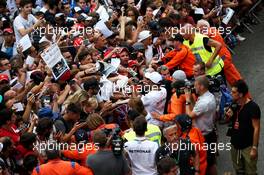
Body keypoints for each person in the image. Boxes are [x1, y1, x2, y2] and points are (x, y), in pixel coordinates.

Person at [225, 80, 261, 175]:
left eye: (233, 92)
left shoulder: (253, 108)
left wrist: (254, 148)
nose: (230, 93)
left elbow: (256, 128)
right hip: (235, 144)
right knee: (239, 171)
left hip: (247, 146)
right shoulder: (234, 104)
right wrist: (229, 115)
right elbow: (232, 121)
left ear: (240, 94)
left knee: (250, 172)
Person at [184, 75, 217, 175]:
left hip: (204, 136)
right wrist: (192, 99)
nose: (194, 88)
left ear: (201, 86)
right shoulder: (208, 96)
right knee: (211, 161)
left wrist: (187, 100)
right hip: (209, 132)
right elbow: (196, 109)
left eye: (195, 86)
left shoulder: (204, 102)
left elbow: (189, 115)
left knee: (207, 162)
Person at [197, 19, 242, 86]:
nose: (198, 31)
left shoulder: (208, 33)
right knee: (235, 80)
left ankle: (245, 95)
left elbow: (201, 37)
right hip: (224, 58)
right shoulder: (212, 30)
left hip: (224, 59)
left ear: (203, 27)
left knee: (236, 81)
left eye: (198, 29)